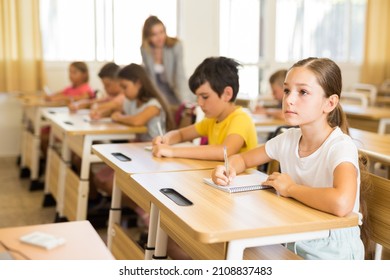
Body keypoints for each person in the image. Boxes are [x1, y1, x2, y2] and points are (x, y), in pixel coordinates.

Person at [211, 57, 365, 260]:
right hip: (296, 235)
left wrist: (291, 189)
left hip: (333, 250)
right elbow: (243, 160)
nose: (289, 99)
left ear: (330, 103)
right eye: (286, 90)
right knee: (227, 254)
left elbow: (342, 203)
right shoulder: (289, 138)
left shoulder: (341, 146)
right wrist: (227, 168)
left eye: (303, 92)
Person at [152, 56, 258, 160]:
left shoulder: (241, 119)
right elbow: (181, 134)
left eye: (205, 97)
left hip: (241, 177)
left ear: (227, 94)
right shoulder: (212, 120)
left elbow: (224, 151)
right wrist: (166, 139)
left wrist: (172, 151)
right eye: (197, 97)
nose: (199, 103)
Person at [110, 63, 175, 142]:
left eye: (125, 87)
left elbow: (137, 121)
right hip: (138, 145)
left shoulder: (154, 105)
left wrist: (118, 117)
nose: (122, 92)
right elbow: (117, 110)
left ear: (138, 83)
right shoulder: (131, 102)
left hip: (153, 145)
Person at [141, 15, 190, 108]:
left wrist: (185, 103)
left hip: (174, 91)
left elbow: (180, 76)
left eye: (162, 32)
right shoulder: (145, 50)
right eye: (154, 34)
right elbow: (149, 78)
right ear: (148, 37)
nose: (160, 37)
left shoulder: (176, 46)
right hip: (157, 94)